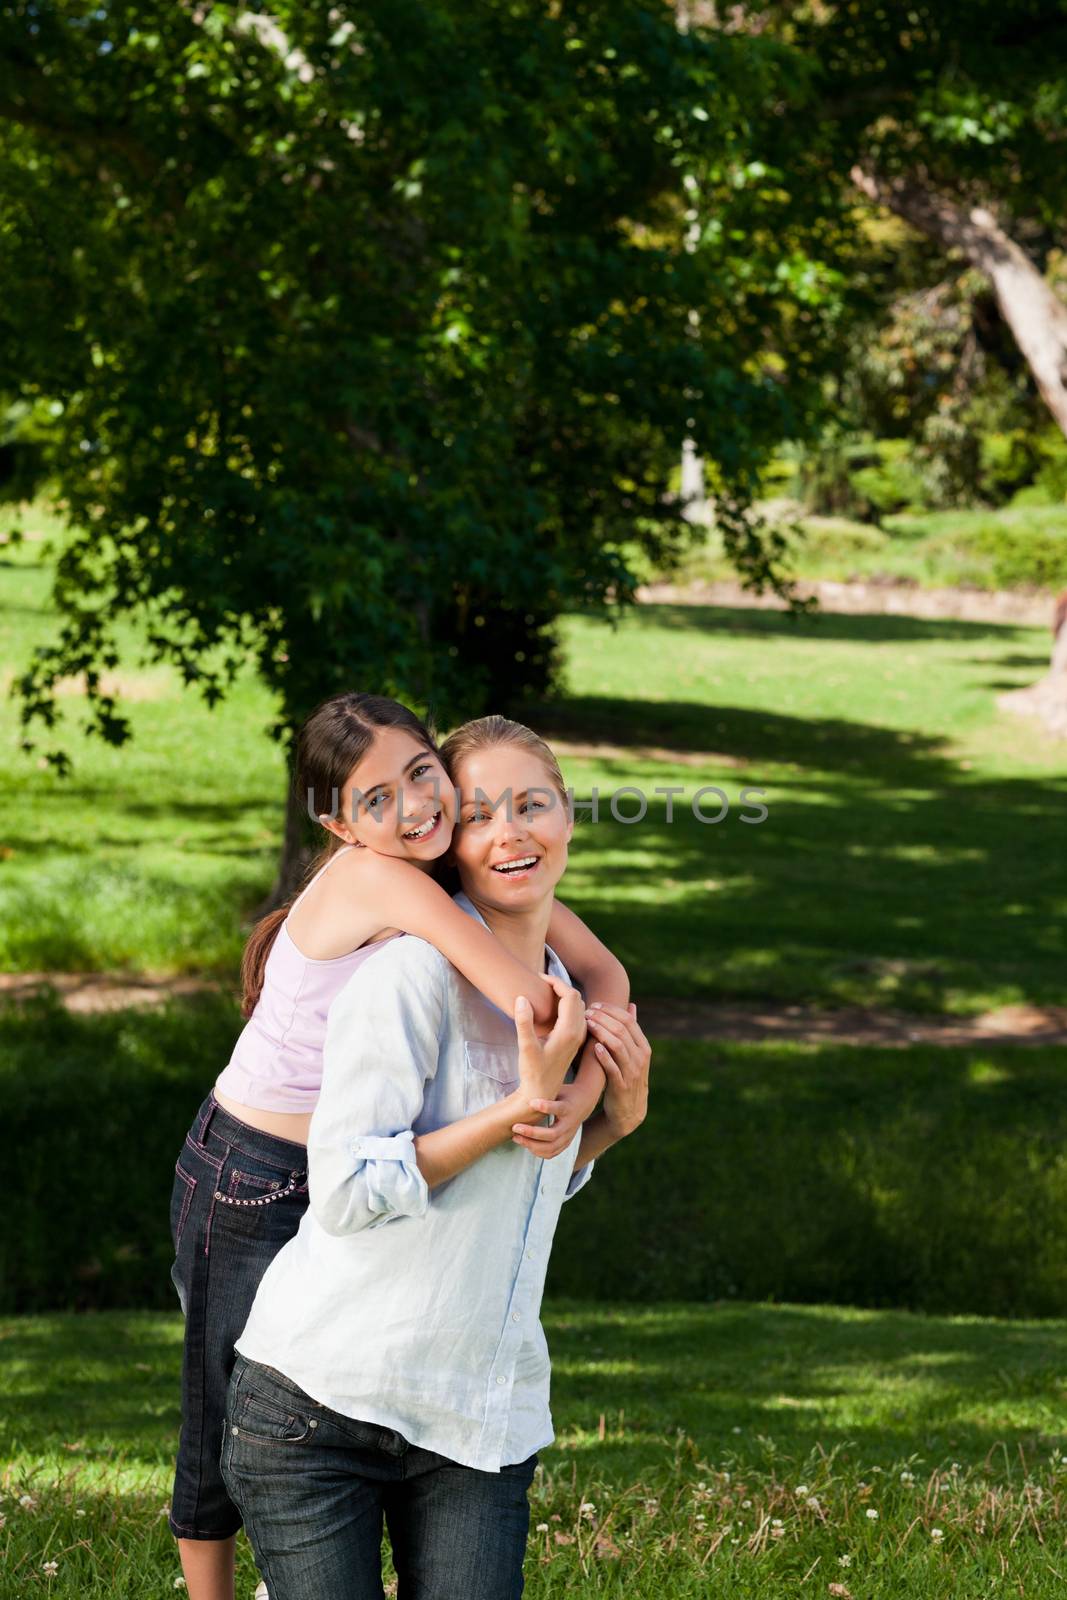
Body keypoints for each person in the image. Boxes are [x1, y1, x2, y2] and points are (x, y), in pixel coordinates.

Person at [169, 695, 630, 1600]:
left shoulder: (449, 869)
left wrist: (587, 1101)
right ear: (341, 825)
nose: (414, 806)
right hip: (248, 1173)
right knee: (222, 1409)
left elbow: (604, 976)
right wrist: (557, 1090)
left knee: (330, 1313)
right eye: (377, 797)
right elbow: (530, 999)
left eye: (423, 774)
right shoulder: (388, 880)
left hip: (328, 1161)